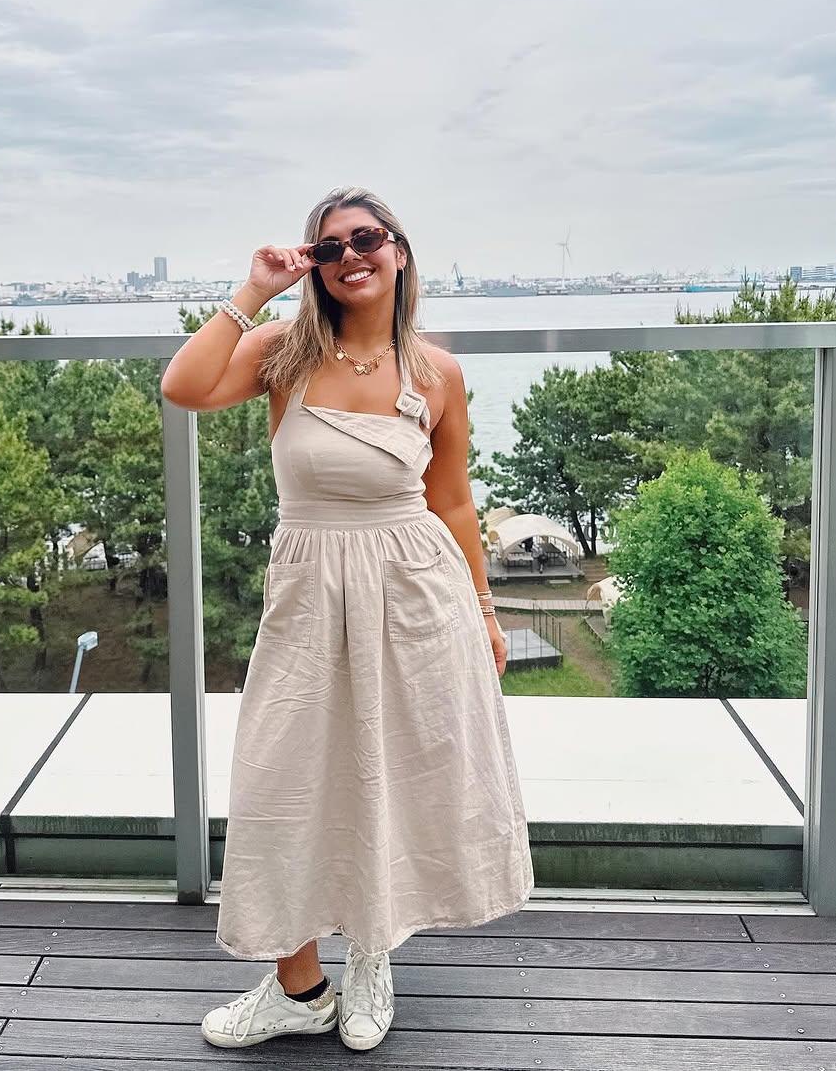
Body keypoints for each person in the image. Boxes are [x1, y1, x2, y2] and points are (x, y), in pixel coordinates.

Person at [161, 186, 534, 1052]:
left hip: (414, 594)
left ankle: (372, 959)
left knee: (386, 776)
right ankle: (297, 987)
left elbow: (453, 501)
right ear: (315, 266)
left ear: (399, 250)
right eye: (330, 247)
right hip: (307, 589)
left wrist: (485, 609)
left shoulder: (436, 373)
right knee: (282, 780)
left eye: (367, 238)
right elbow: (184, 386)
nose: (351, 256)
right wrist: (255, 288)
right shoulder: (281, 352)